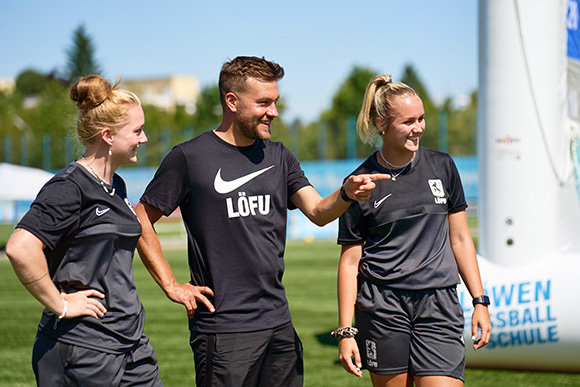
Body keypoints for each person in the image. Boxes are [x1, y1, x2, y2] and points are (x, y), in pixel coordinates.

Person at [135, 56, 389, 387]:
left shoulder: (279, 155)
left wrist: (345, 193)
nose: (274, 112)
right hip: (223, 331)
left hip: (278, 324)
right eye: (264, 103)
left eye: (276, 102)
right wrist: (171, 285)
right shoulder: (189, 158)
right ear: (232, 101)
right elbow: (141, 217)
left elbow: (317, 211)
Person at [6, 75, 163, 387]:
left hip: (130, 342)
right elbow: (20, 248)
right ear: (107, 136)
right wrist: (61, 304)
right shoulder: (69, 187)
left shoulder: (116, 185)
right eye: (137, 131)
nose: (143, 138)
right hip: (84, 347)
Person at [334, 75, 491, 387]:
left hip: (439, 302)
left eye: (421, 119)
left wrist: (479, 300)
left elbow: (460, 238)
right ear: (381, 123)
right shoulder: (359, 183)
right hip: (383, 307)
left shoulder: (443, 166)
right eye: (408, 121)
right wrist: (346, 331)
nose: (418, 128)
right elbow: (350, 262)